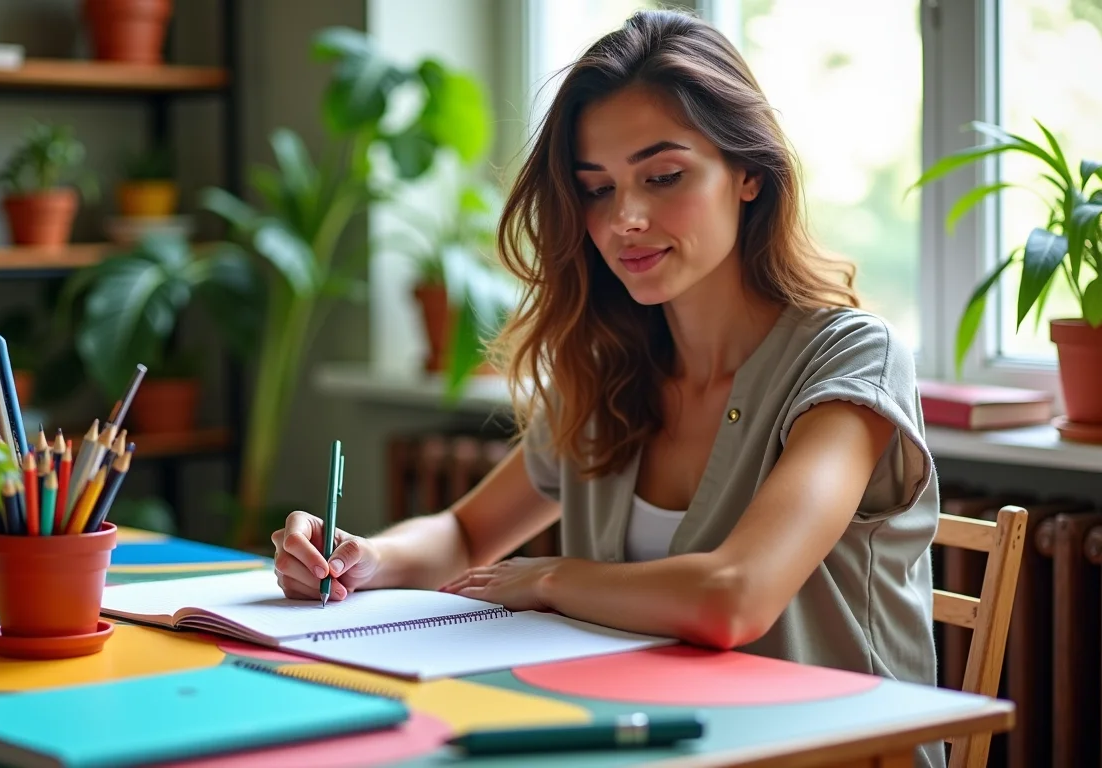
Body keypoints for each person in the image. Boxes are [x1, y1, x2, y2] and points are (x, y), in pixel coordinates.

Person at [273, 9, 941, 766]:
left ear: (749, 172)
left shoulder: (850, 357)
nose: (625, 217)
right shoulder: (611, 363)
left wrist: (553, 577)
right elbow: (465, 535)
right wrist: (363, 558)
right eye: (596, 189)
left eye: (664, 177)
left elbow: (735, 596)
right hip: (636, 743)